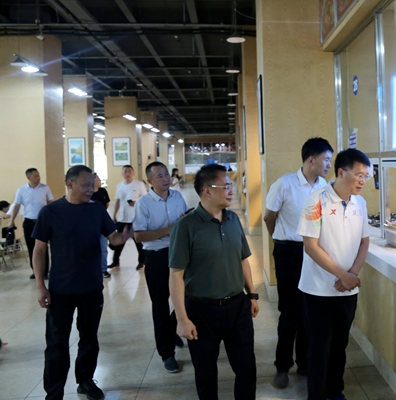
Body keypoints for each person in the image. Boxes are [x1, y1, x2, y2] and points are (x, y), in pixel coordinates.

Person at [32, 165, 133, 400]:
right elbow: (39, 250)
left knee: (89, 339)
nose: (91, 189)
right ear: (70, 184)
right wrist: (40, 286)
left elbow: (113, 238)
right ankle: (54, 393)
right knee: (56, 344)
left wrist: (126, 235)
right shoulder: (50, 212)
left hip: (91, 287)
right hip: (60, 290)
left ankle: (85, 380)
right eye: (86, 185)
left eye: (93, 185)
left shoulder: (96, 209)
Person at [169, 164, 260, 400]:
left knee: (246, 368)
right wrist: (182, 319)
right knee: (206, 373)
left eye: (230, 185)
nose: (231, 190)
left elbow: (243, 259)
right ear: (207, 190)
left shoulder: (233, 219)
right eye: (226, 186)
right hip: (202, 311)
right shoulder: (186, 226)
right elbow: (176, 274)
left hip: (237, 307)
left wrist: (251, 294)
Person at [297, 148, 371, 400]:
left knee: (340, 345)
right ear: (341, 172)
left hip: (347, 290)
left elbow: (364, 242)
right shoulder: (316, 200)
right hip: (317, 289)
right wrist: (343, 275)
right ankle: (316, 395)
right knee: (319, 348)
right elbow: (311, 246)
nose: (362, 181)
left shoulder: (360, 203)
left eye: (366, 176)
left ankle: (335, 391)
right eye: (358, 175)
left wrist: (352, 274)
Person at [263, 137, 334, 388]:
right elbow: (269, 217)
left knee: (309, 309)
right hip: (289, 252)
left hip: (313, 252)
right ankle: (282, 366)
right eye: (326, 159)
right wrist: (280, 240)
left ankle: (304, 363)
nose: (329, 164)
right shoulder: (284, 184)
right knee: (290, 312)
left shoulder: (324, 186)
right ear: (311, 160)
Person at [134, 162, 187, 373]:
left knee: (188, 297)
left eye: (166, 174)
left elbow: (185, 223)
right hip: (156, 256)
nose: (166, 179)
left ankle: (171, 329)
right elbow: (139, 235)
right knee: (160, 306)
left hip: (179, 254)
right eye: (160, 176)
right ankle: (167, 354)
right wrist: (169, 230)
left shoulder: (177, 197)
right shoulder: (143, 203)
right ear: (150, 181)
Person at [8, 168, 53, 279]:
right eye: (36, 176)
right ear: (29, 177)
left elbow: (50, 203)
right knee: (31, 247)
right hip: (29, 222)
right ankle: (36, 271)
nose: (39, 177)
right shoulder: (21, 190)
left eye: (39, 175)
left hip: (42, 222)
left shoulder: (45, 188)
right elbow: (16, 206)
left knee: (43, 247)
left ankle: (45, 271)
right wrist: (11, 221)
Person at [110, 165, 147, 270]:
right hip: (123, 218)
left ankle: (142, 261)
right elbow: (118, 201)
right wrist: (114, 214)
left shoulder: (139, 184)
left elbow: (145, 199)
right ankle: (115, 261)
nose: (127, 173)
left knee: (138, 241)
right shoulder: (119, 186)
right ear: (122, 173)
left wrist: (136, 203)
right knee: (120, 240)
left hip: (135, 218)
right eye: (125, 171)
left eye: (130, 171)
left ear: (133, 173)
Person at [91, 173, 111, 278]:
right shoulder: (87, 193)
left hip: (102, 223)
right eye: (97, 178)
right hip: (90, 225)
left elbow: (106, 204)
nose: (99, 180)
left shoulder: (103, 191)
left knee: (103, 247)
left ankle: (103, 269)